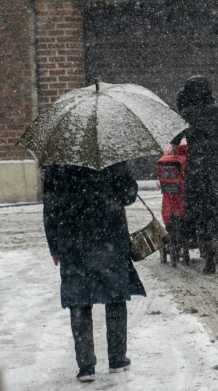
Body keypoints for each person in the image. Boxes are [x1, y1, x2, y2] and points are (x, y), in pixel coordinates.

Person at [42, 162, 146, 383]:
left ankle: (86, 365)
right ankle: (117, 358)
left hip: (72, 239)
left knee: (79, 300)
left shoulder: (58, 162)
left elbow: (50, 207)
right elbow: (128, 195)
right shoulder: (111, 158)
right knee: (115, 295)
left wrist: (54, 246)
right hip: (109, 235)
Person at [173, 76, 218, 275]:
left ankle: (209, 257)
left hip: (198, 168)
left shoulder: (187, 114)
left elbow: (175, 139)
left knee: (203, 213)